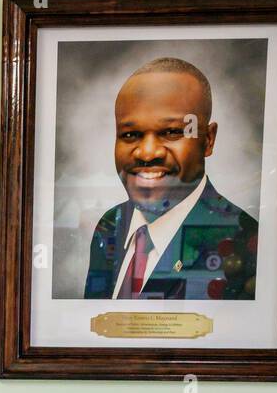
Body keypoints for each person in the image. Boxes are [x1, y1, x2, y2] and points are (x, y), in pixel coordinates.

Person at [84, 57, 258, 301]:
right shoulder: (111, 224)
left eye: (171, 133)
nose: (147, 152)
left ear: (208, 140)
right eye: (131, 134)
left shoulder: (245, 244)